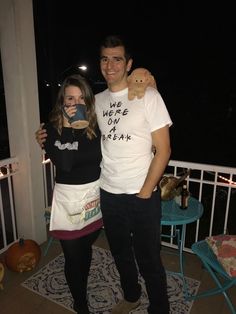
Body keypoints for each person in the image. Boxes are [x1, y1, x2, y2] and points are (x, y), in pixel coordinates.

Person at [36, 35, 172, 314]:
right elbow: (72, 126)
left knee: (149, 259)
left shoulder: (149, 96)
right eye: (104, 58)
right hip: (108, 194)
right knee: (121, 254)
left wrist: (145, 192)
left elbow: (165, 150)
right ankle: (131, 296)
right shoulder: (95, 102)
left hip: (142, 194)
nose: (110, 65)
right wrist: (45, 135)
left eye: (117, 59)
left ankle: (160, 308)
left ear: (129, 63)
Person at [41, 74, 103, 314]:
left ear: (88, 102)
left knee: (85, 249)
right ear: (62, 101)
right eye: (70, 99)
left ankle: (82, 284)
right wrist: (67, 126)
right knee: (72, 256)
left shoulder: (96, 128)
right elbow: (65, 164)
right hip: (68, 204)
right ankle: (80, 303)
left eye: (81, 99)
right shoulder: (50, 130)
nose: (75, 104)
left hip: (93, 200)